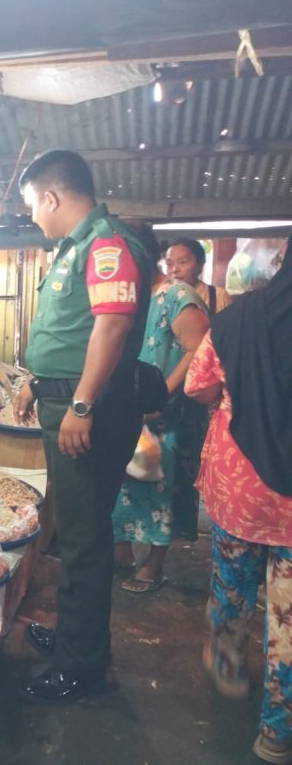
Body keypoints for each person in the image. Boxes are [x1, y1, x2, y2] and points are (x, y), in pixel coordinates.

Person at [13, 150, 152, 703]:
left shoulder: (107, 245)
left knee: (84, 538)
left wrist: (83, 405)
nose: (32, 216)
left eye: (32, 205)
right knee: (77, 531)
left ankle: (82, 666)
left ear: (51, 197)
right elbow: (70, 334)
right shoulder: (76, 248)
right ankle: (77, 637)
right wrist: (36, 381)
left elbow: (111, 329)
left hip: (87, 411)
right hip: (66, 400)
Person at [186, 238, 292, 764]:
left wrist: (240, 392)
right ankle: (278, 732)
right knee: (288, 618)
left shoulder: (237, 318)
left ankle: (229, 667)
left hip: (242, 485)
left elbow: (198, 385)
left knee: (233, 582)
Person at [112, 227, 209, 593]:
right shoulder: (132, 295)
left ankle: (153, 565)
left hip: (166, 415)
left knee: (158, 488)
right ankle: (122, 554)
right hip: (129, 411)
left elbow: (199, 349)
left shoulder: (178, 295)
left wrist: (161, 396)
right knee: (124, 484)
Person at [165, 237, 232, 316]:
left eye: (182, 262)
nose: (174, 269)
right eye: (169, 264)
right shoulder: (160, 298)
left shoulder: (218, 296)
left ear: (200, 264)